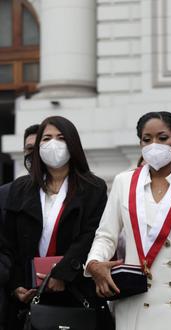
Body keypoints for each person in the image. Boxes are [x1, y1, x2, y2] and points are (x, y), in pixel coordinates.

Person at [85, 111, 171, 330]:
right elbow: (106, 235)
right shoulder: (123, 182)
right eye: (147, 140)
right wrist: (94, 263)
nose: (154, 145)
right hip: (135, 301)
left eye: (162, 138)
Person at [1, 116, 113, 329]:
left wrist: (61, 274)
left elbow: (90, 236)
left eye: (61, 138)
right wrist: (16, 285)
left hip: (76, 293)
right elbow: (8, 242)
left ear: (72, 143)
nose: (53, 144)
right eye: (47, 138)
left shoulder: (93, 188)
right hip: (29, 297)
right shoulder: (21, 188)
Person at [0, 124, 38, 330]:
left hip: (63, 300)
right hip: (14, 305)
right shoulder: (6, 194)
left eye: (37, 148)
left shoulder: (77, 193)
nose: (32, 155)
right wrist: (14, 285)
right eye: (28, 149)